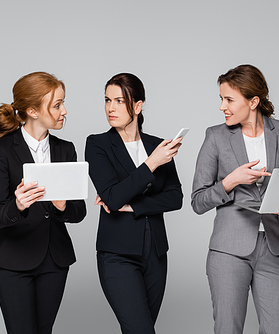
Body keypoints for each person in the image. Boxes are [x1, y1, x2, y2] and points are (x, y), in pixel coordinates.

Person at [191, 64, 279, 334]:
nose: (223, 107)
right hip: (228, 250)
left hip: (274, 247)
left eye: (229, 99)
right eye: (221, 99)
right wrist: (231, 181)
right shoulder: (215, 136)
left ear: (253, 101)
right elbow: (198, 201)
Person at [0, 72, 86, 334]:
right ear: (32, 110)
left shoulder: (66, 149)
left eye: (63, 103)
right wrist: (17, 205)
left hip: (55, 261)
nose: (64, 111)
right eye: (57, 105)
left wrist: (62, 207)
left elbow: (79, 212)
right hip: (13, 262)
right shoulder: (2, 149)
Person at [85, 73, 183, 334]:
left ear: (137, 107)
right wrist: (152, 163)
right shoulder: (97, 144)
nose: (111, 107)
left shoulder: (157, 145)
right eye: (107, 100)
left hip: (156, 254)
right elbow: (113, 197)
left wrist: (135, 206)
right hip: (117, 255)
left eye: (119, 100)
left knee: (143, 328)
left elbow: (176, 197)